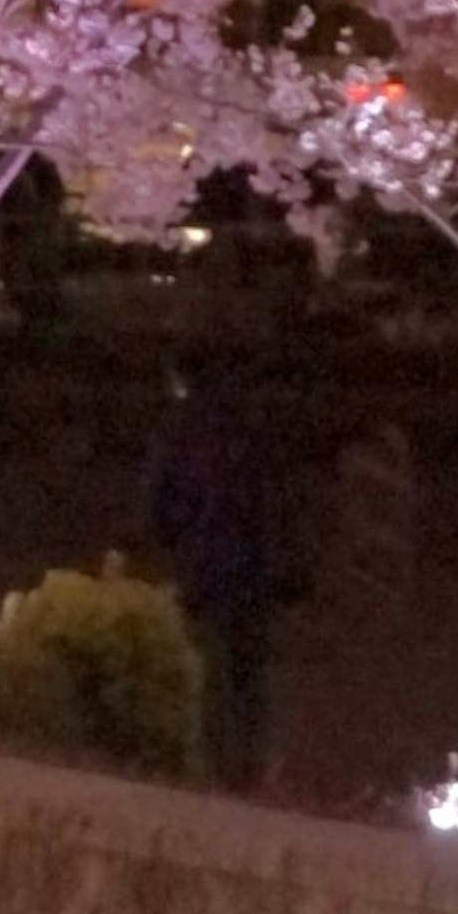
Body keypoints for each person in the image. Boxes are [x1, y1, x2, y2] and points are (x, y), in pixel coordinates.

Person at [147, 334, 306, 789]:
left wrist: (169, 543)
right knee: (248, 669)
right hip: (253, 564)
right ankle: (249, 765)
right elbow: (280, 497)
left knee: (208, 667)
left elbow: (158, 503)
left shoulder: (180, 428)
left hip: (204, 562)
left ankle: (213, 765)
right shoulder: (253, 424)